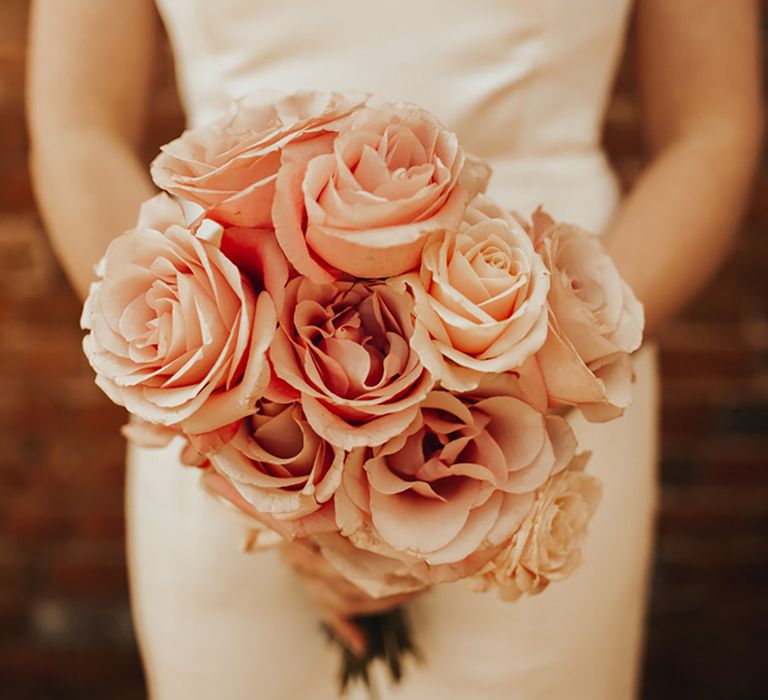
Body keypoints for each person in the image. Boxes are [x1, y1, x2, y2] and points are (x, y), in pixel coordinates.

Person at [26, 1, 762, 698]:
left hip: (547, 410)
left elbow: (712, 126)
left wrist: (542, 375)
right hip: (231, 432)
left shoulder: (548, 391)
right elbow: (76, 124)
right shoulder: (232, 421)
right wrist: (225, 404)